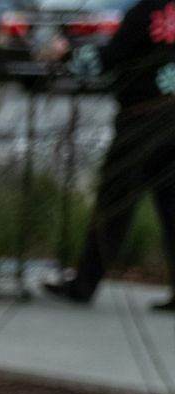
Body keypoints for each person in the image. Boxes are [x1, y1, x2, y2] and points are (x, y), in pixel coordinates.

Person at [41, 0, 175, 310]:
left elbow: (109, 59)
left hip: (141, 120)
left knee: (114, 203)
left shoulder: (143, 13)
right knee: (172, 207)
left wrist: (66, 54)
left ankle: (84, 284)